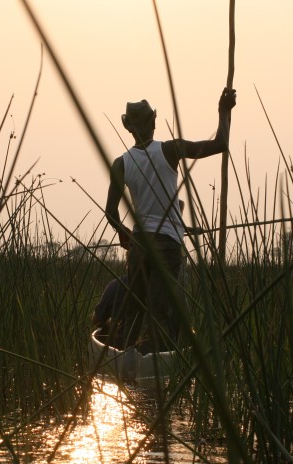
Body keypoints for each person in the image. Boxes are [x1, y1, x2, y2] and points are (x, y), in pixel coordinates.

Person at [105, 87, 236, 352]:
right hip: (166, 248)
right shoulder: (171, 150)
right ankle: (155, 373)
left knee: (135, 311)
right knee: (160, 314)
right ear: (153, 122)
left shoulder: (121, 163)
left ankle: (127, 360)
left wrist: (124, 234)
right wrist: (224, 111)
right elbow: (220, 144)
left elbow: (110, 212)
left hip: (140, 246)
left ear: (129, 127)